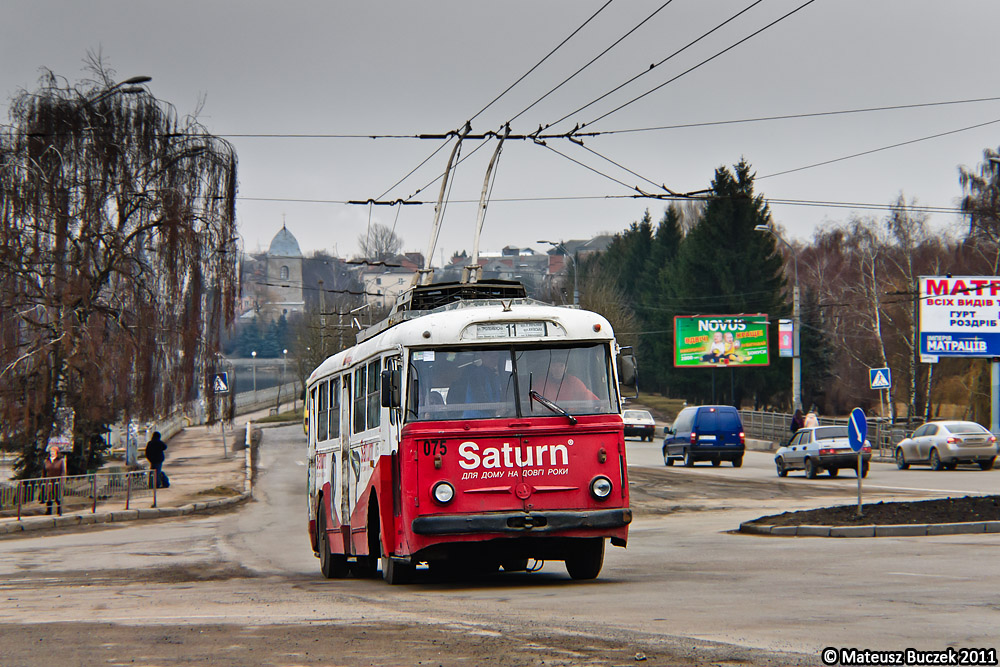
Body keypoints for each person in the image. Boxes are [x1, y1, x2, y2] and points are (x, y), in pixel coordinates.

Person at [42, 444, 67, 516]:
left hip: (57, 481)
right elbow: (44, 471)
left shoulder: (60, 461)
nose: (52, 453)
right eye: (51, 452)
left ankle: (59, 510)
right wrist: (43, 480)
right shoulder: (46, 461)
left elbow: (63, 471)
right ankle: (48, 510)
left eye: (53, 451)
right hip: (49, 481)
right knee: (49, 496)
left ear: (56, 452)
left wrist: (62, 480)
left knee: (57, 496)